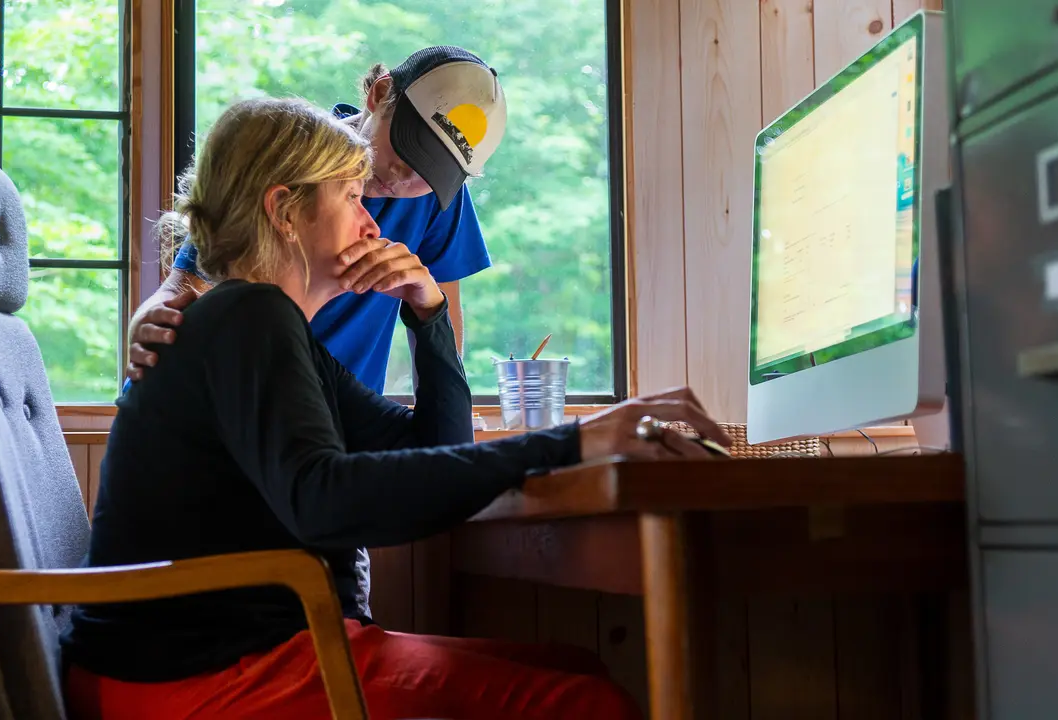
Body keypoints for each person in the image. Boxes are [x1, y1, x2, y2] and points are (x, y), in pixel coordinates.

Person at [60, 96, 729, 719]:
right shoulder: (245, 314)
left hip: (215, 663)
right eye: (352, 196)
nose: (371, 220)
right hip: (196, 680)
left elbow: (436, 443)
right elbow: (324, 498)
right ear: (284, 210)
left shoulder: (272, 328)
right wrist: (574, 442)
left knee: (576, 667)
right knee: (580, 698)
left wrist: (427, 312)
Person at [128, 45, 507, 393]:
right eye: (408, 151)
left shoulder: (439, 199)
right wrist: (148, 323)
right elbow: (188, 283)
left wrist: (440, 409)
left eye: (429, 175)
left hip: (342, 412)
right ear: (380, 94)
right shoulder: (296, 153)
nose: (404, 178)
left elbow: (440, 322)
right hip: (251, 402)